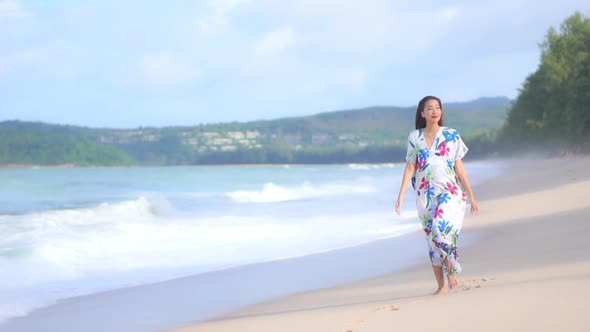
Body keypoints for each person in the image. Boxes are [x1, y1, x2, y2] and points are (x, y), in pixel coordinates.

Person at [395, 95, 479, 296]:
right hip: (425, 195)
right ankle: (441, 287)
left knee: (440, 228)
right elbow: (410, 167)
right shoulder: (415, 137)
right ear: (422, 113)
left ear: (441, 112)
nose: (434, 111)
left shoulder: (451, 135)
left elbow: (459, 166)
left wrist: (471, 195)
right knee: (432, 239)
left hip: (450, 191)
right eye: (429, 108)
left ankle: (452, 269)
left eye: (437, 108)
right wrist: (400, 196)